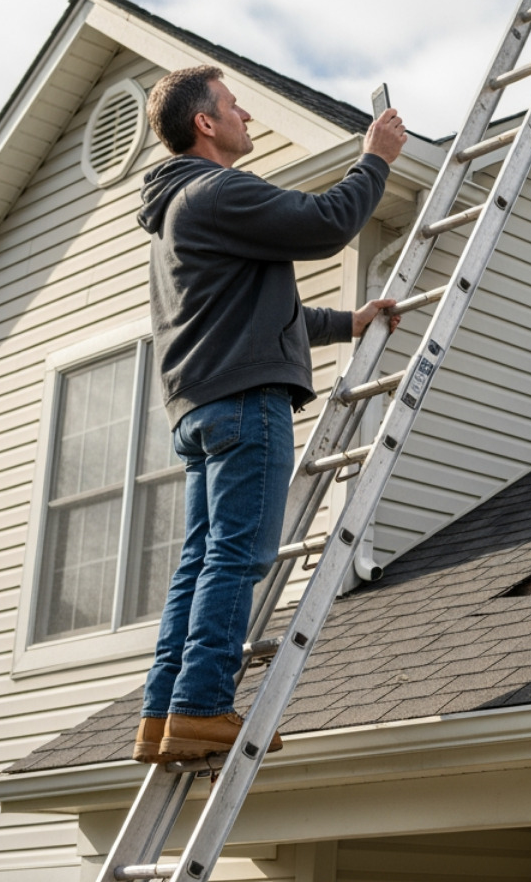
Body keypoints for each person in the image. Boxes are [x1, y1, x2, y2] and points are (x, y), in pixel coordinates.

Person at [132, 65, 405, 763]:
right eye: (232, 105)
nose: (245, 115)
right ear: (205, 123)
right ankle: (200, 708)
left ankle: (163, 715)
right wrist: (374, 158)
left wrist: (347, 322)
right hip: (246, 404)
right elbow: (325, 226)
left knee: (200, 562)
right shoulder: (217, 188)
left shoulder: (174, 214)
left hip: (201, 408)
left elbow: (254, 313)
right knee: (236, 557)